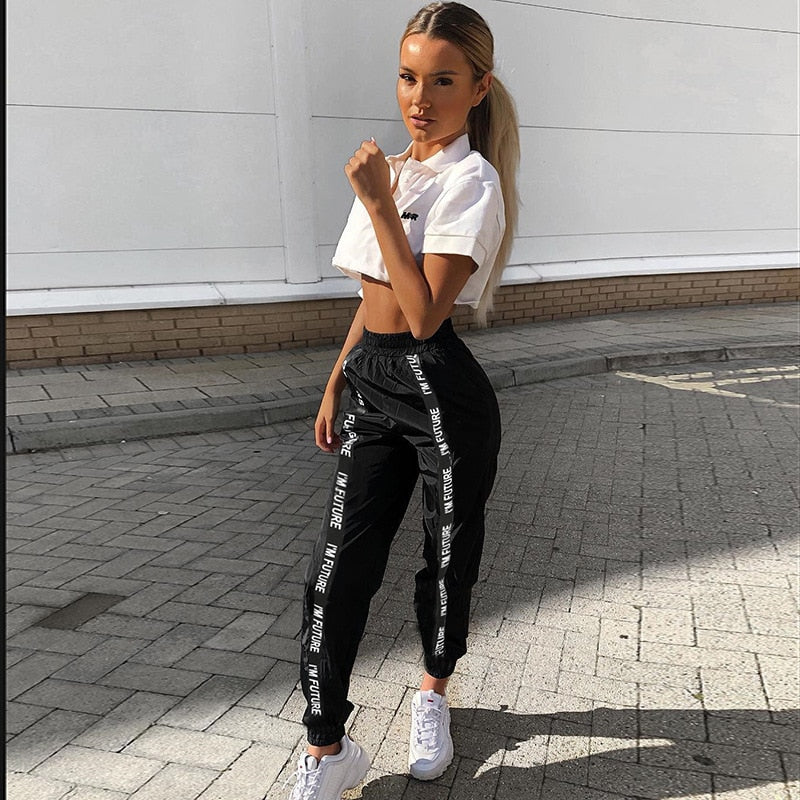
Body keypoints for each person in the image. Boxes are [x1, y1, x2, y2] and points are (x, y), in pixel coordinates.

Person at [287, 3, 519, 797]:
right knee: (335, 568)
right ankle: (327, 747)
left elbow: (423, 316)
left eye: (443, 81)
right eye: (408, 77)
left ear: (478, 88)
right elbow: (373, 300)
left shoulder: (471, 182)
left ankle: (433, 694)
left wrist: (383, 204)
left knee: (447, 557)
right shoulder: (387, 168)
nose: (420, 98)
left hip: (441, 390)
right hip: (371, 384)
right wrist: (336, 379)